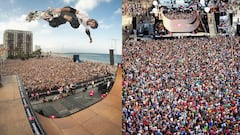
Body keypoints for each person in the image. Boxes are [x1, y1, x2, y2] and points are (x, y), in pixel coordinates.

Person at [27, 6, 98, 43]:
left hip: (66, 18)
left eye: (92, 26)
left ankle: (43, 16)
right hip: (68, 12)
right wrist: (60, 9)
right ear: (93, 21)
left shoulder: (86, 25)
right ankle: (58, 13)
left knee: (53, 24)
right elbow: (72, 10)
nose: (91, 24)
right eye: (92, 23)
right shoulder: (85, 15)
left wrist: (90, 38)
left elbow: (87, 31)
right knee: (76, 25)